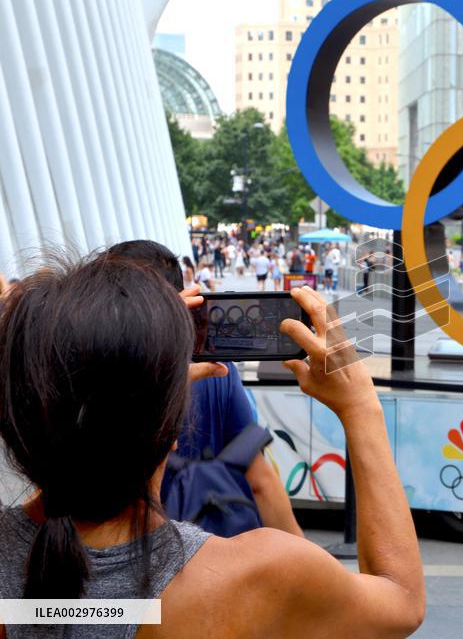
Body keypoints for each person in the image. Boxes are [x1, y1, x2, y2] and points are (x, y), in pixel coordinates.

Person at [0, 256, 425, 636]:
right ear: (171, 431)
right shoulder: (252, 578)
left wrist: (138, 381)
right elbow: (401, 601)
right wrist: (361, 406)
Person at [105, 240, 303, 539]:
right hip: (203, 548)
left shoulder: (96, 376)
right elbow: (259, 477)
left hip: (123, 549)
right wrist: (305, 562)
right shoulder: (217, 370)